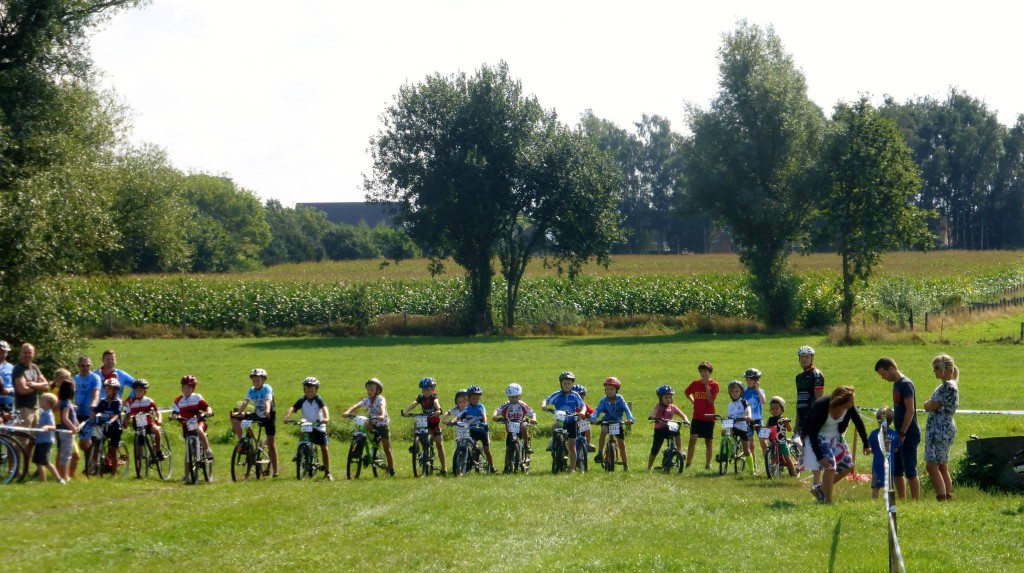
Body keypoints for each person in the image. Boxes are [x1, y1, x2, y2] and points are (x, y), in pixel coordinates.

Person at [803, 386, 871, 504]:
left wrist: (866, 443)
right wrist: (820, 457)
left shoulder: (848, 408)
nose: (853, 404)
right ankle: (827, 501)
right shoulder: (822, 406)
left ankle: (820, 489)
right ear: (842, 401)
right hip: (818, 436)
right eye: (851, 402)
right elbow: (812, 433)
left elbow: (858, 422)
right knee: (830, 466)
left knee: (848, 466)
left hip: (834, 436)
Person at [874, 357, 921, 500]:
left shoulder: (905, 385)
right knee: (897, 471)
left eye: (883, 374)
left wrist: (902, 432)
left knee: (910, 471)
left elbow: (910, 410)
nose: (883, 378)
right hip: (900, 434)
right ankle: (903, 500)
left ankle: (915, 503)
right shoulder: (896, 384)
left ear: (891, 369)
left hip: (908, 434)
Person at [230, 368, 279, 477]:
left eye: (258, 380)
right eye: (254, 380)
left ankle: (275, 470)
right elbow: (245, 402)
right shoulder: (251, 390)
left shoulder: (267, 388)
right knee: (234, 419)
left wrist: (267, 411)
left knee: (271, 444)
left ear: (263, 381)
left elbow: (268, 401)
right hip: (258, 413)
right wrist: (240, 413)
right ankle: (242, 441)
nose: (256, 383)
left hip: (268, 415)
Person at [924, 354, 960, 501]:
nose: (935, 371)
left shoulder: (947, 387)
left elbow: (931, 405)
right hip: (943, 427)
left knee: (932, 466)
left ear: (948, 369)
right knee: (942, 465)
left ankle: (942, 497)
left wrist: (928, 403)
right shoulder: (947, 386)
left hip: (939, 429)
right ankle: (947, 496)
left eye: (937, 368)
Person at [282, 377, 332, 481]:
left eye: (312, 391)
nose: (310, 393)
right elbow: (293, 408)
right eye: (307, 391)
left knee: (324, 448)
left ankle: (327, 472)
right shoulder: (302, 400)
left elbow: (324, 408)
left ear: (316, 391)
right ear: (304, 390)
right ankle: (299, 452)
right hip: (307, 425)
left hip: (319, 426)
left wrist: (326, 417)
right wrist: (287, 416)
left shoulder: (318, 399)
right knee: (302, 431)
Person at [343, 378, 394, 476]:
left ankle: (391, 468)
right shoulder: (367, 400)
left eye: (372, 390)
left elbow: (382, 408)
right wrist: (347, 412)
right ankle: (371, 441)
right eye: (368, 389)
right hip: (372, 422)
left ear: (377, 391)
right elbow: (356, 406)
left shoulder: (381, 399)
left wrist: (382, 415)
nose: (369, 392)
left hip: (382, 424)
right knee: (365, 423)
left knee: (387, 449)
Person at [541, 371, 587, 472]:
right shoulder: (557, 395)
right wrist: (544, 405)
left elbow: (582, 405)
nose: (566, 385)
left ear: (572, 384)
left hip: (571, 422)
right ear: (561, 384)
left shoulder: (575, 395)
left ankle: (573, 469)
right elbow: (547, 399)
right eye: (564, 383)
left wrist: (582, 412)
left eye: (569, 384)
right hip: (561, 421)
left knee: (572, 445)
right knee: (555, 428)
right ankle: (555, 444)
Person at [401, 377, 446, 475]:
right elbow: (414, 403)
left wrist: (438, 410)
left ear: (433, 389)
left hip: (434, 423)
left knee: (439, 443)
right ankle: (415, 444)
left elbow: (436, 403)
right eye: (424, 390)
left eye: (428, 390)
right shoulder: (421, 397)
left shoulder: (434, 397)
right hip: (424, 421)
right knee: (416, 423)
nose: (425, 392)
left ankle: (444, 468)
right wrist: (406, 411)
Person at [172, 374, 214, 479]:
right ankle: (186, 475)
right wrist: (175, 416)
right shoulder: (178, 400)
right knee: (188, 452)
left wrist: (208, 412)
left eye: (189, 388)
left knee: (199, 429)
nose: (186, 390)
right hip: (186, 424)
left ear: (193, 388)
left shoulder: (197, 397)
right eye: (184, 387)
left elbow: (207, 407)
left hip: (198, 421)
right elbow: (175, 412)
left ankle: (208, 450)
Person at [13, 342, 49, 462]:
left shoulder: (34, 367)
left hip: (36, 408)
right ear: (20, 354)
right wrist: (38, 386)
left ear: (33, 354)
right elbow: (22, 390)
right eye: (25, 352)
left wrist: (33, 384)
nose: (27, 355)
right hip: (22, 409)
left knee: (32, 440)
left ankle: (25, 467)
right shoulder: (18, 369)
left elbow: (46, 385)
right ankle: (14, 469)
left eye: (29, 352)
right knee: (20, 439)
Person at [795, 346, 825, 487]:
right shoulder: (799, 377)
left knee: (814, 449)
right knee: (807, 448)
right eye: (802, 357)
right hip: (802, 418)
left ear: (812, 358)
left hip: (813, 418)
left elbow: (819, 400)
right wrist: (797, 421)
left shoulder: (817, 375)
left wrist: (816, 418)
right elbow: (799, 400)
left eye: (807, 356)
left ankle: (817, 482)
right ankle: (818, 480)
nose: (804, 359)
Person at [591, 377, 634, 470]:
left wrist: (630, 419)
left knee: (621, 444)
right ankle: (600, 452)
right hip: (607, 421)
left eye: (612, 389)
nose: (609, 391)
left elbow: (627, 410)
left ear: (616, 390)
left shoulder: (620, 399)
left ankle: (625, 464)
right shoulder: (604, 400)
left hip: (618, 422)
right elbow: (598, 410)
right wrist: (594, 418)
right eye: (607, 389)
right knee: (603, 431)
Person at [493, 383, 536, 473]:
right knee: (508, 449)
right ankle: (506, 467)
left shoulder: (522, 405)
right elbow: (497, 410)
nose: (514, 399)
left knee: (524, 426)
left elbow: (532, 413)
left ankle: (526, 444)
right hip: (510, 429)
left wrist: (534, 419)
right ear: (508, 397)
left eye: (516, 397)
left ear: (519, 396)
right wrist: (495, 416)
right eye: (512, 397)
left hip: (520, 425)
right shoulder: (506, 405)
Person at [685, 361, 719, 470]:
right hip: (697, 417)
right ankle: (688, 463)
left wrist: (706, 385)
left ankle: (708, 464)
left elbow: (710, 400)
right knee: (692, 439)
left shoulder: (714, 385)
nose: (703, 374)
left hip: (709, 417)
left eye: (705, 371)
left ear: (710, 372)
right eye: (701, 371)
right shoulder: (695, 383)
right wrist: (693, 401)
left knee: (708, 441)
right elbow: (686, 392)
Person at [647, 385, 689, 471]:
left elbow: (682, 414)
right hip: (660, 430)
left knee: (677, 431)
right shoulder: (658, 406)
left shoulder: (672, 407)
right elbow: (653, 413)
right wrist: (653, 417)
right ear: (660, 398)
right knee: (655, 448)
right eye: (666, 397)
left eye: (670, 397)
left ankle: (679, 449)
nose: (668, 400)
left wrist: (686, 420)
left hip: (669, 427)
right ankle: (649, 467)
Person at [124, 379, 164, 462]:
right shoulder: (131, 402)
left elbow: (157, 412)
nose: (138, 392)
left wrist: (159, 419)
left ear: (145, 391)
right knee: (140, 445)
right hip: (138, 425)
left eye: (140, 390)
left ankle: (158, 451)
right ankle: (139, 464)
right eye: (136, 390)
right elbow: (128, 414)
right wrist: (125, 422)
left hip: (148, 424)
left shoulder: (149, 401)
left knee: (156, 431)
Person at [459, 385, 495, 472]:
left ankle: (492, 466)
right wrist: (454, 421)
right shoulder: (467, 408)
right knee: (472, 447)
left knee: (487, 450)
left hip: (482, 430)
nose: (476, 401)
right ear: (469, 399)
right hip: (472, 430)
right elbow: (460, 416)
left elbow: (484, 415)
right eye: (473, 399)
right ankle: (471, 463)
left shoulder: (480, 406)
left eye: (477, 399)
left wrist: (485, 423)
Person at [92, 378, 124, 471]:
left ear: (116, 390)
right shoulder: (102, 401)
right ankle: (94, 465)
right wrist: (93, 419)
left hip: (114, 427)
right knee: (95, 444)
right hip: (102, 426)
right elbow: (96, 411)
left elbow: (117, 414)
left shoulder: (118, 402)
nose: (109, 391)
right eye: (107, 388)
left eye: (112, 389)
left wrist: (111, 421)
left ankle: (114, 472)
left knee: (113, 450)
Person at [869, 406, 900, 500]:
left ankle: (874, 502)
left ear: (878, 420)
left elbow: (870, 448)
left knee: (875, 486)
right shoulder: (894, 434)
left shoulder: (874, 434)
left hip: (877, 464)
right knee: (889, 485)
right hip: (890, 465)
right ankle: (889, 503)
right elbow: (896, 449)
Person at [53, 371, 80, 480]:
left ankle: (64, 475)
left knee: (66, 453)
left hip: (66, 430)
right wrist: (73, 427)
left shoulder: (67, 402)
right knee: (65, 454)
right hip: (65, 430)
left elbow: (70, 416)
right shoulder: (65, 402)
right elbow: (64, 417)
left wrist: (77, 423)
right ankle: (64, 476)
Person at [73, 355, 102, 454]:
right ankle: (90, 465)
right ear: (78, 366)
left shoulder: (94, 378)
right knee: (84, 442)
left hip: (90, 413)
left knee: (84, 442)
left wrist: (94, 404)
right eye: (82, 366)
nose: (85, 368)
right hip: (78, 413)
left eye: (88, 366)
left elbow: (96, 392)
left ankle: (92, 463)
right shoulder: (75, 378)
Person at [725, 380, 755, 475]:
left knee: (747, 451)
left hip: (742, 427)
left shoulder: (743, 402)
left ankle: (752, 470)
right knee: (726, 437)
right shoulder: (729, 405)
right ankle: (727, 454)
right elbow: (729, 417)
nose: (734, 394)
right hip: (733, 427)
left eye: (737, 391)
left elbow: (748, 408)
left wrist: (748, 416)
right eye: (732, 392)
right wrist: (726, 427)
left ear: (741, 392)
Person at [33, 393, 64, 484]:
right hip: (39, 441)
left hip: (46, 442)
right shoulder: (42, 412)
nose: (39, 401)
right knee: (38, 461)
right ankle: (43, 481)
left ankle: (59, 479)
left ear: (47, 403)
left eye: (41, 400)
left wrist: (47, 427)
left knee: (45, 461)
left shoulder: (49, 414)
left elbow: (53, 426)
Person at [765, 396, 797, 477]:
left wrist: (786, 423)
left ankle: (793, 473)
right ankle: (771, 474)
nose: (774, 410)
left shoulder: (783, 419)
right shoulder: (770, 419)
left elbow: (789, 429)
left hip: (781, 442)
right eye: (772, 409)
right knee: (773, 458)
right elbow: (766, 428)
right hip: (773, 442)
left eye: (777, 408)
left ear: (782, 409)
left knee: (787, 458)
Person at [743, 368, 768, 458]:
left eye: (751, 379)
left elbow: (763, 401)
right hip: (748, 420)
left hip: (758, 419)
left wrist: (757, 389)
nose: (748, 381)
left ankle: (767, 463)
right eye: (747, 379)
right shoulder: (744, 392)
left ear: (756, 380)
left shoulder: (761, 391)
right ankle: (754, 465)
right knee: (751, 445)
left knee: (763, 442)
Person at [573, 384, 597, 457]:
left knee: (587, 426)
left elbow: (592, 412)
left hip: (582, 424)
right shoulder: (571, 405)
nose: (580, 398)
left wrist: (591, 416)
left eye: (581, 396)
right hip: (572, 422)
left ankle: (588, 443)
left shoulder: (584, 405)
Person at [0, 340, 14, 420]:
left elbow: (17, 387)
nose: (2, 355)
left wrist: (9, 390)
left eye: (4, 352)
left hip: (6, 402)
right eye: (0, 352)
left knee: (6, 429)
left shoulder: (11, 368)